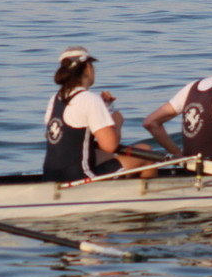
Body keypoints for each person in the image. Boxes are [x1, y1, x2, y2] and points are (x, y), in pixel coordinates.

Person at [42, 46, 149, 182]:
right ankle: (146, 199)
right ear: (87, 67)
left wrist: (105, 108)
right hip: (81, 178)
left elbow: (66, 138)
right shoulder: (89, 99)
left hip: (50, 176)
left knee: (102, 155)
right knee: (145, 153)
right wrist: (117, 121)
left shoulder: (55, 99)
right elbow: (110, 146)